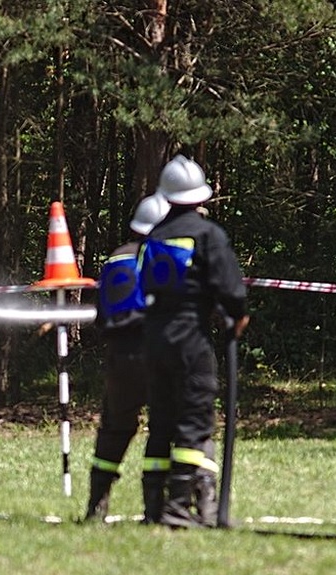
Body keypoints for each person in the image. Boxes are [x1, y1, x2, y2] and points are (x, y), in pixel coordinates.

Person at [141, 154, 249, 528]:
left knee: (161, 421)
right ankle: (177, 509)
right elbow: (230, 287)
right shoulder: (207, 235)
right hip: (190, 339)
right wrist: (236, 313)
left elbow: (145, 287)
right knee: (193, 420)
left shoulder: (154, 237)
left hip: (154, 339)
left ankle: (153, 508)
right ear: (200, 196)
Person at [83, 193, 170, 522]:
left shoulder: (115, 258)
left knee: (115, 430)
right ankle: (155, 510)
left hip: (120, 357)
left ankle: (96, 506)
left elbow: (102, 314)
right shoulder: (161, 259)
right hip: (157, 351)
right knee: (163, 427)